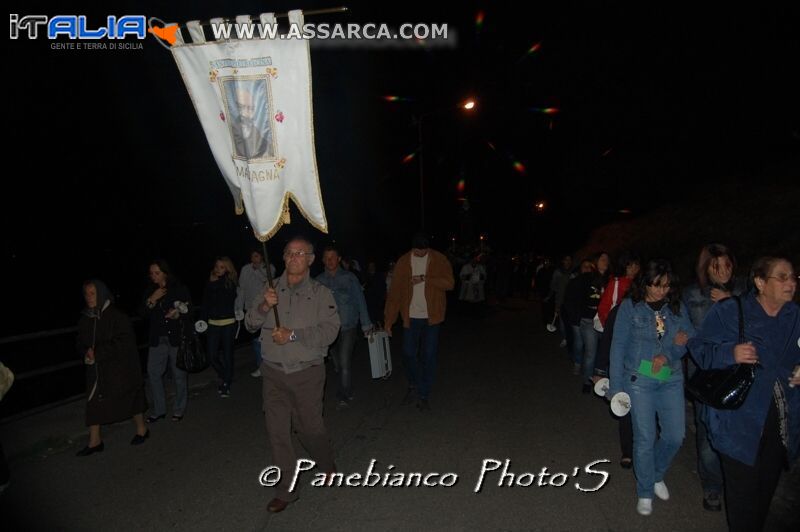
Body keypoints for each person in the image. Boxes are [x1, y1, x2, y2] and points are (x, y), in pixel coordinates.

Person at [687, 256, 799, 532]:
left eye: (794, 277)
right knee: (742, 498)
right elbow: (699, 347)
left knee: (764, 493)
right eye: (782, 277)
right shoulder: (731, 311)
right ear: (760, 282)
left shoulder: (795, 316)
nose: (791, 283)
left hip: (781, 424)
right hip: (737, 422)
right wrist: (730, 353)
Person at [245, 237, 340, 513]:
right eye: (289, 253)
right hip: (273, 371)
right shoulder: (269, 288)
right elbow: (250, 324)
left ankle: (326, 463)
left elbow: (331, 331)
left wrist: (294, 335)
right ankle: (287, 491)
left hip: (307, 373)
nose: (294, 257)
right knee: (277, 432)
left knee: (310, 428)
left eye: (301, 253)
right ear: (283, 258)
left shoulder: (321, 293)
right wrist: (264, 306)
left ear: (310, 260)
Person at [608, 259, 694, 516]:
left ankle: (656, 473)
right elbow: (618, 346)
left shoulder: (677, 306)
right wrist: (616, 387)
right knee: (645, 438)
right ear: (644, 282)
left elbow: (689, 336)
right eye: (655, 285)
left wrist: (669, 353)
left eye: (666, 286)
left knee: (675, 436)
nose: (660, 291)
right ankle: (645, 490)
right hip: (638, 380)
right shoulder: (629, 307)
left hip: (671, 378)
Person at [683, 243, 746, 512]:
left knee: (738, 433)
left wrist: (732, 302)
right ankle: (712, 486)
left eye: (727, 266)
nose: (722, 272)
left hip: (738, 373)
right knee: (707, 432)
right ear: (705, 267)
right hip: (705, 375)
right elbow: (688, 332)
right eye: (715, 266)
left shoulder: (745, 291)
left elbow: (757, 325)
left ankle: (737, 484)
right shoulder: (691, 293)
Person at [76, 280, 148, 456]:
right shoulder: (86, 318)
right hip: (97, 370)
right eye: (87, 294)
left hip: (119, 368)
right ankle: (95, 441)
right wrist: (86, 352)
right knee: (93, 402)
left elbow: (125, 341)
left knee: (130, 398)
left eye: (93, 293)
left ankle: (142, 429)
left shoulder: (117, 316)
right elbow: (79, 342)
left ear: (101, 293)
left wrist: (99, 352)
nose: (89, 297)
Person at [384, 232, 454, 411]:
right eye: (417, 251)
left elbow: (449, 283)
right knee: (408, 353)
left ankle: (423, 393)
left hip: (432, 317)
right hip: (411, 317)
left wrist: (425, 279)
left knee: (428, 355)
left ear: (428, 248)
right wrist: (389, 321)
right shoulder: (403, 262)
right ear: (412, 248)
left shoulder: (439, 259)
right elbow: (395, 294)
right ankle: (415, 383)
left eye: (423, 251)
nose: (420, 254)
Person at [316, 245, 373, 407]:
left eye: (333, 257)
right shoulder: (319, 281)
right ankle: (346, 385)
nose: (330, 261)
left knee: (344, 361)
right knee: (338, 363)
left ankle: (344, 394)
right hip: (328, 329)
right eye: (326, 258)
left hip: (348, 325)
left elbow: (360, 300)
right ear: (322, 260)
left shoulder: (349, 278)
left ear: (339, 259)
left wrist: (366, 324)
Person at [141, 260, 191, 423]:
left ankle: (179, 408)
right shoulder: (150, 290)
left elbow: (187, 309)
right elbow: (142, 313)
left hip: (175, 338)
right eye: (151, 273)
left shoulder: (178, 288)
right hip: (157, 339)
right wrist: (152, 299)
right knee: (153, 372)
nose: (153, 276)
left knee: (178, 374)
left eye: (157, 273)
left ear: (165, 273)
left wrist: (178, 314)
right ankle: (159, 409)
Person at [202, 257, 242, 398]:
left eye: (222, 267)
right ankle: (226, 375)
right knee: (211, 356)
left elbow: (226, 296)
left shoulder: (229, 282)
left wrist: (213, 282)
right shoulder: (210, 283)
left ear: (227, 269)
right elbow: (206, 302)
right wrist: (202, 320)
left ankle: (226, 383)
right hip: (213, 323)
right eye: (217, 266)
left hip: (228, 324)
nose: (218, 269)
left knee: (227, 355)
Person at [239, 249, 276, 378]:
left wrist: (258, 269)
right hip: (250, 308)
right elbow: (242, 288)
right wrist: (239, 307)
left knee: (266, 339)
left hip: (266, 308)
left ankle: (270, 365)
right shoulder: (245, 269)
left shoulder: (269, 268)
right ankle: (261, 366)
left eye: (256, 256)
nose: (254, 259)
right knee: (255, 341)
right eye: (252, 256)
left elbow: (268, 281)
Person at [230, 83, 273, 159]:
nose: (247, 114)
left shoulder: (253, 128)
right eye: (242, 107)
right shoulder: (234, 128)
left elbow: (264, 143)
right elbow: (245, 152)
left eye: (251, 109)